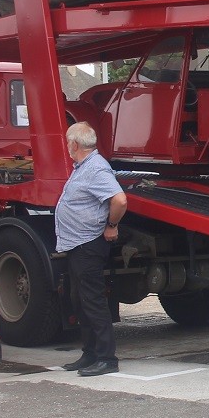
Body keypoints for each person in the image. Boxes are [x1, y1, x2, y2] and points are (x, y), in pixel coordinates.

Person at [56, 121, 128, 377]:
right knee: (79, 299)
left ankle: (107, 358)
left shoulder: (96, 168)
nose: (66, 146)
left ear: (74, 144)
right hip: (77, 244)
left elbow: (119, 200)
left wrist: (111, 225)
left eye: (67, 142)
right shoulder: (83, 167)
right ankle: (90, 353)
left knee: (93, 301)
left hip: (88, 244)